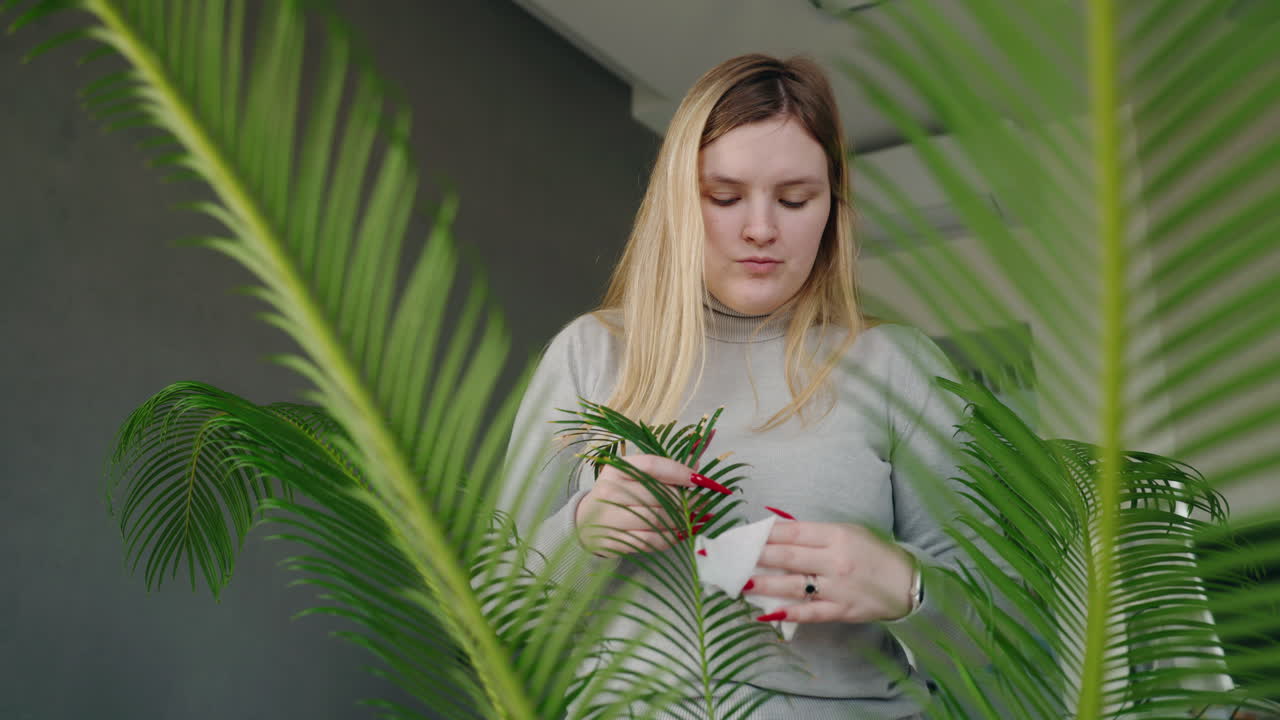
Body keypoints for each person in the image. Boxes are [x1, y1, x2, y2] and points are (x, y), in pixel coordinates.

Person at [498, 53, 988, 720]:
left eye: (795, 199)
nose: (761, 228)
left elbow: (1004, 640)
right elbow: (492, 618)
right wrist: (580, 531)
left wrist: (906, 585)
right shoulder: (592, 355)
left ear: (832, 210)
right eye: (724, 197)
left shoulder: (898, 365)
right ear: (677, 203)